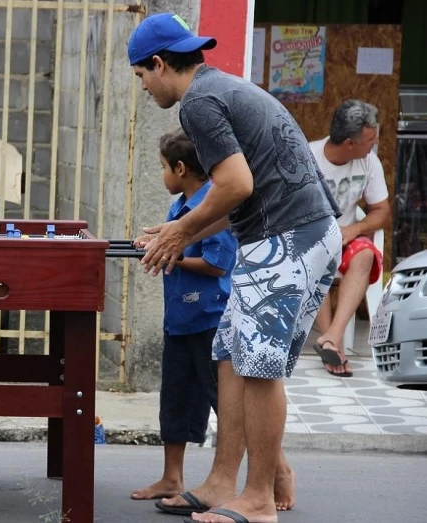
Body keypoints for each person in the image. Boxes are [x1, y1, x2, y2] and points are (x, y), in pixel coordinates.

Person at [127, 12, 342, 523]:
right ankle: (224, 482)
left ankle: (260, 499)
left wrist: (181, 229)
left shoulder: (199, 103)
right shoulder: (219, 89)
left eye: (140, 76)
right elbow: (236, 195)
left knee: (258, 366)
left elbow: (236, 184)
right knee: (229, 354)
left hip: (289, 237)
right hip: (288, 234)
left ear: (159, 64)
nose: (142, 87)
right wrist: (182, 234)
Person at [130, 128, 236, 502]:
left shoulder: (213, 205)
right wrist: (154, 244)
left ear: (180, 168)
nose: (161, 175)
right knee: (174, 398)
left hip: (209, 320)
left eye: (162, 168)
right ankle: (171, 478)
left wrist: (172, 255)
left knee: (226, 403)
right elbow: (174, 240)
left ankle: (274, 472)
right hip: (179, 320)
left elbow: (217, 264)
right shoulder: (179, 207)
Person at [308, 100, 390, 377]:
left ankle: (332, 337)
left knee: (365, 253)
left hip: (346, 237)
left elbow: (382, 212)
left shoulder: (369, 160)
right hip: (310, 238)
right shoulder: (308, 159)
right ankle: (334, 343)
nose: (376, 141)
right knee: (316, 255)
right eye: (370, 138)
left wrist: (353, 230)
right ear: (348, 144)